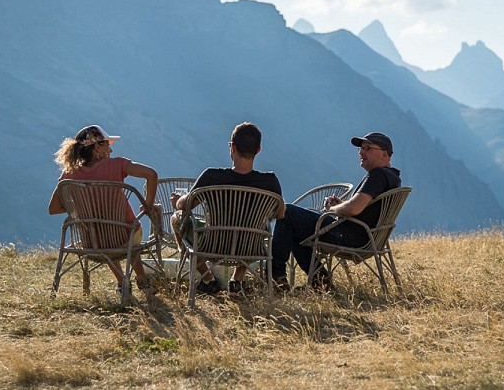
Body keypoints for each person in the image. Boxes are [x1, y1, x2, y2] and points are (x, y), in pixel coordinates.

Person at [271, 132, 401, 291]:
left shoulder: (378, 175)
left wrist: (332, 209)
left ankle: (276, 278)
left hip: (350, 236)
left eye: (367, 148)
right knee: (295, 227)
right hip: (365, 236)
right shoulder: (392, 177)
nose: (361, 152)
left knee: (288, 212)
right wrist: (343, 205)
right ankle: (320, 282)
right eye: (361, 149)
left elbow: (354, 209)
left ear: (384, 154)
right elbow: (362, 206)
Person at [171, 122, 285, 296]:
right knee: (255, 226)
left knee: (176, 217)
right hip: (250, 247)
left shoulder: (212, 177)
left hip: (212, 244)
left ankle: (208, 279)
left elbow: (185, 206)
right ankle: (237, 280)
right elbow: (280, 213)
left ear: (232, 148)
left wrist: (179, 201)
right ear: (258, 150)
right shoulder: (270, 182)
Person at [48, 124, 159, 296]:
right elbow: (152, 174)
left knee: (102, 234)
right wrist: (148, 206)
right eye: (108, 145)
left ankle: (123, 282)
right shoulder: (117, 165)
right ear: (98, 146)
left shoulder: (68, 175)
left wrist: (79, 204)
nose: (111, 151)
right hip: (125, 237)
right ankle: (143, 282)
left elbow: (53, 209)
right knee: (129, 231)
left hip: (91, 243)